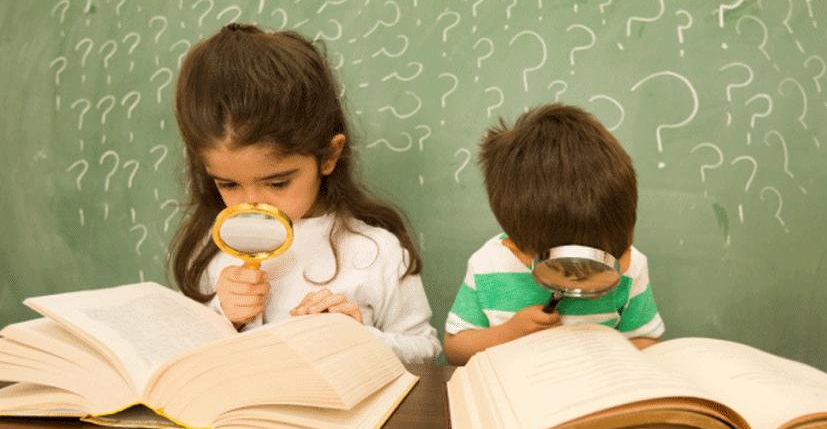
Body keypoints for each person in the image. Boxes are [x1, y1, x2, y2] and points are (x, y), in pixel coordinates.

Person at [168, 23, 440, 364]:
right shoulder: (209, 249)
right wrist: (226, 316)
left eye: (278, 183)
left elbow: (425, 351)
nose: (253, 203)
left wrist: (360, 338)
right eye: (228, 184)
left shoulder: (376, 251)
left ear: (328, 156)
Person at [443, 103, 664, 365]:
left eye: (616, 254)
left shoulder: (631, 266)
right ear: (516, 248)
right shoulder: (488, 265)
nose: (590, 277)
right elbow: (455, 348)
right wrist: (508, 333)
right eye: (573, 269)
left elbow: (646, 340)